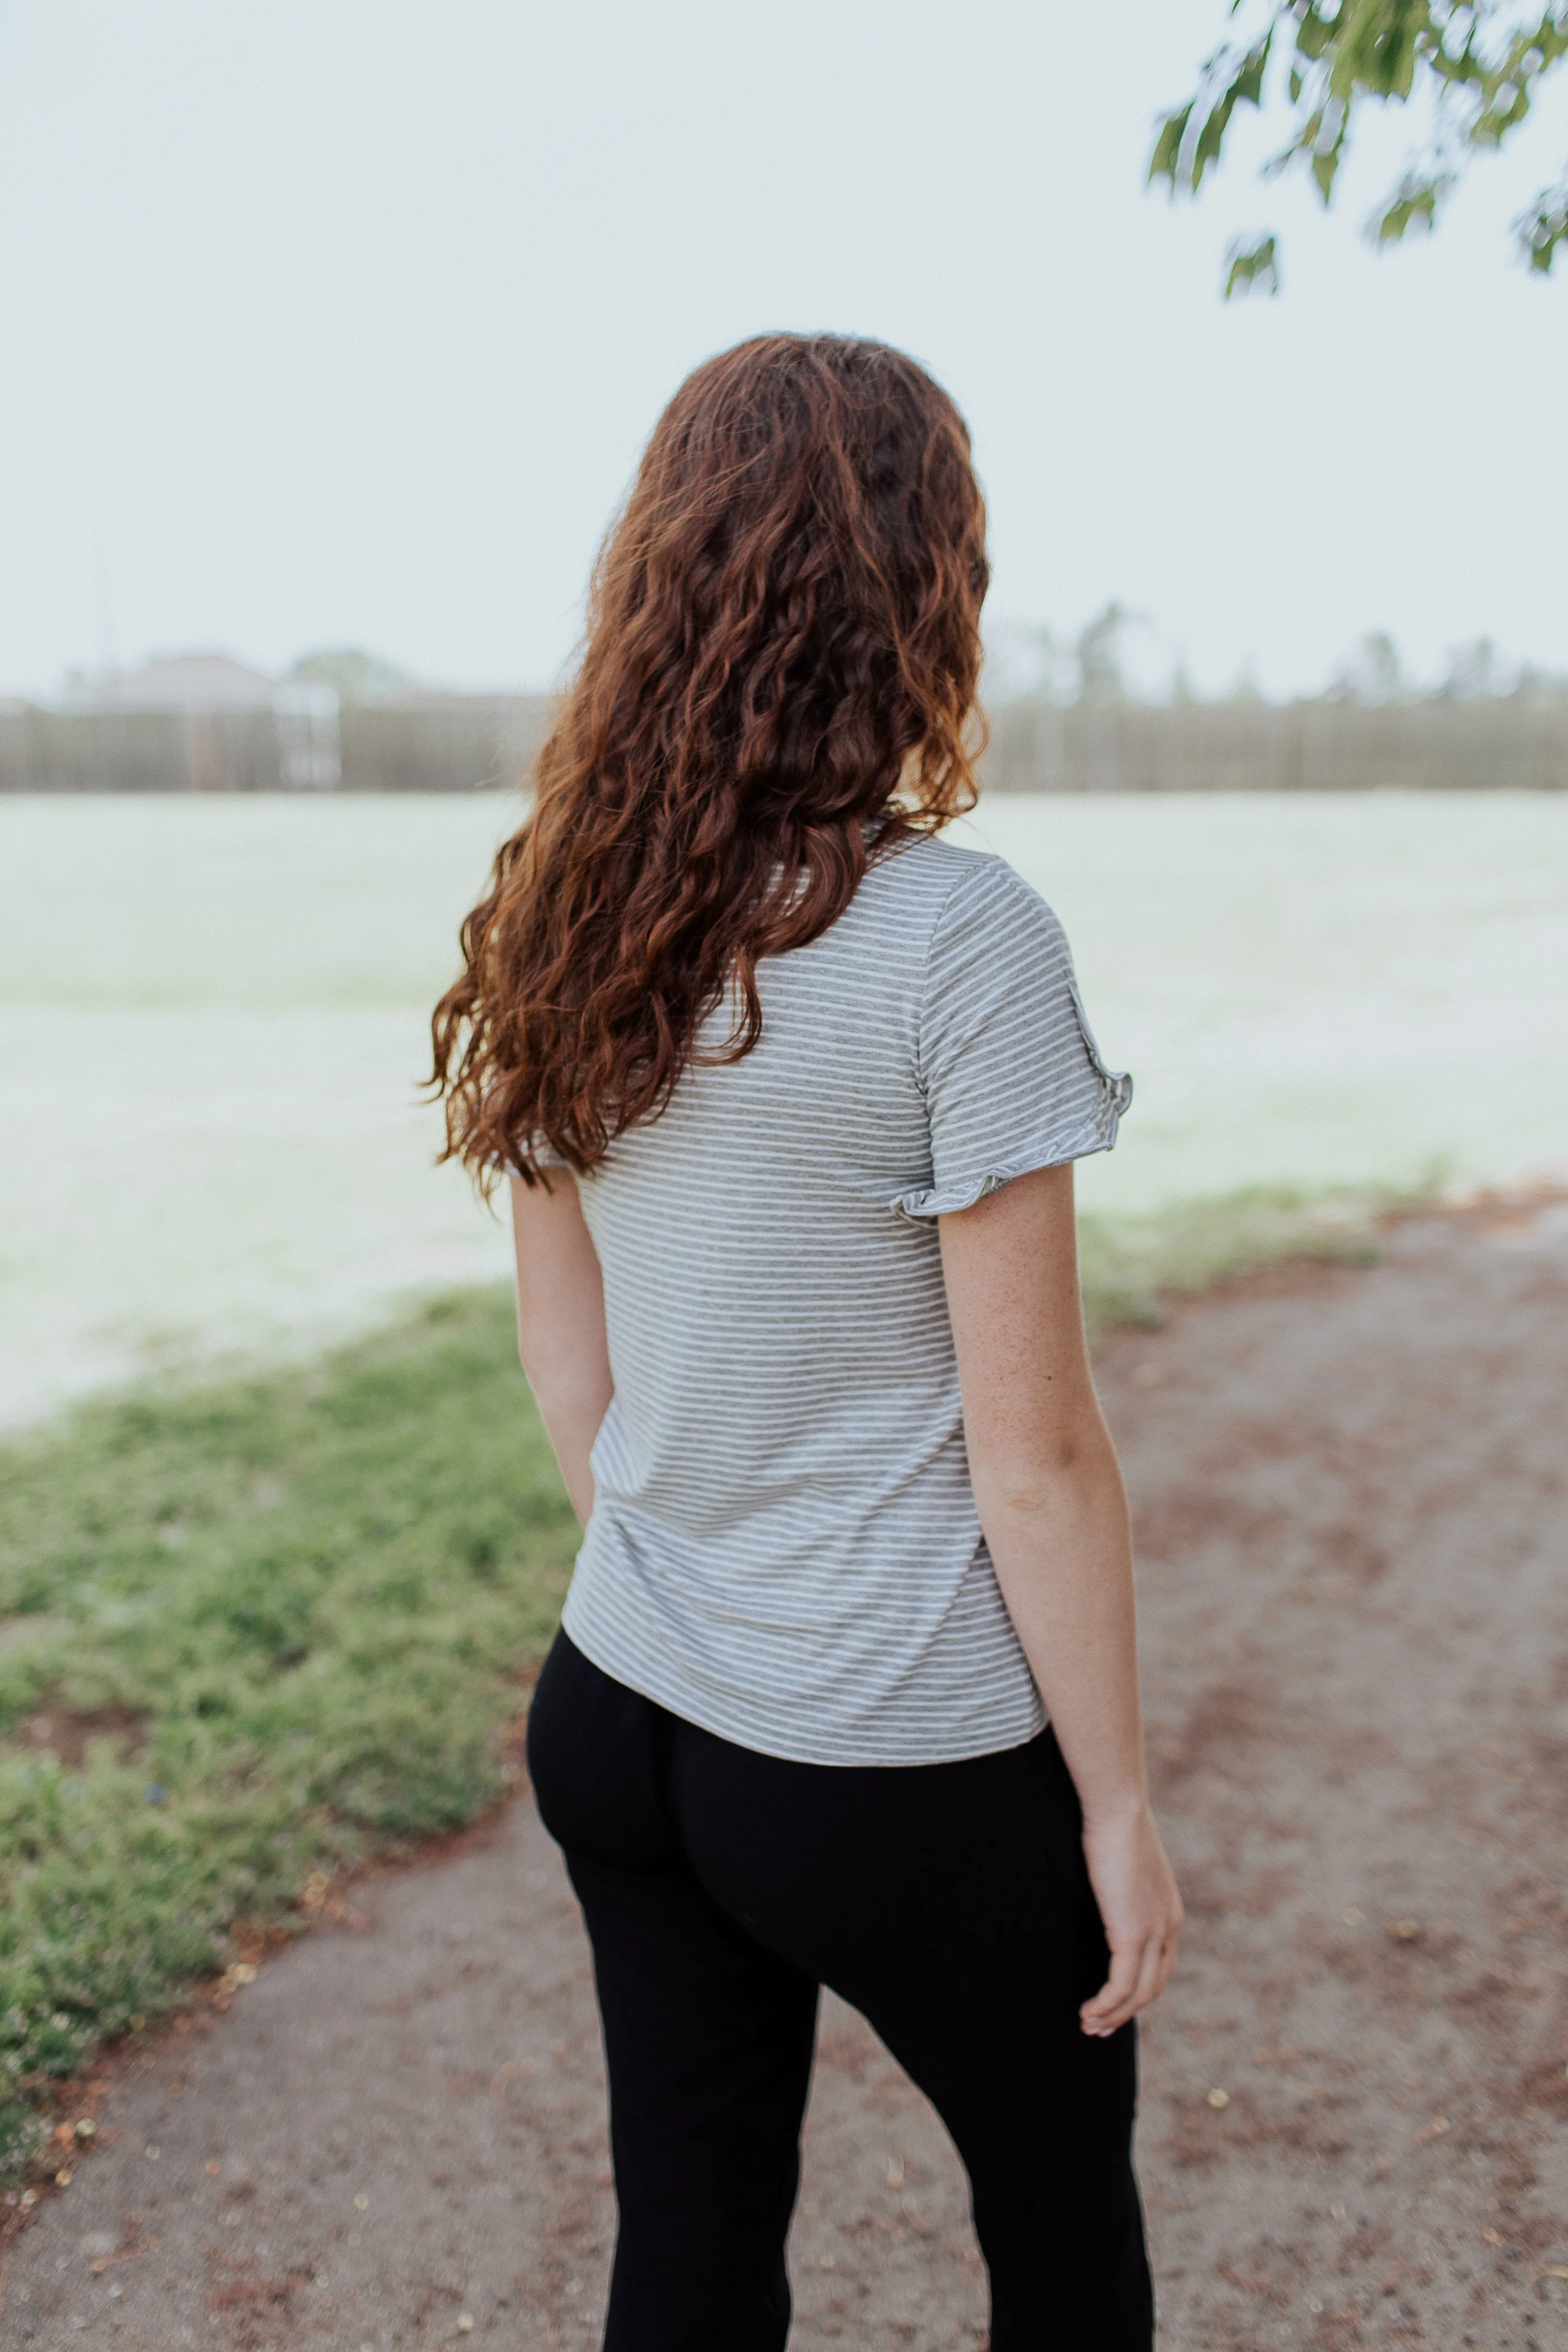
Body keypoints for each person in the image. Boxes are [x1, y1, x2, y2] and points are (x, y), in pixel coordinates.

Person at [430, 332, 1182, 2351]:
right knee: (1063, 2243)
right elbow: (1037, 1456)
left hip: (623, 1710)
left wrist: (691, 1579)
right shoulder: (964, 938)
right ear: (924, 590)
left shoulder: (572, 913)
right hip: (886, 1764)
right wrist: (1114, 1806)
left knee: (689, 2246)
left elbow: (563, 1358)